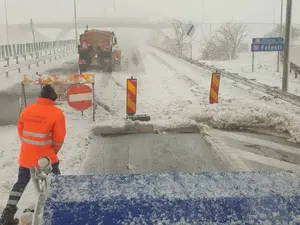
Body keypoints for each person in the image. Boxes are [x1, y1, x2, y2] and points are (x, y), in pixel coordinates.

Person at [0, 84, 66, 225]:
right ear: (52, 98)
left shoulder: (28, 109)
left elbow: (21, 131)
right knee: (55, 183)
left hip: (26, 157)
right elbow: (59, 138)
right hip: (46, 159)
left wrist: (29, 147)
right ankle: (57, 212)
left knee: (21, 182)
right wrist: (52, 152)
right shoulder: (56, 113)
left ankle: (7, 213)